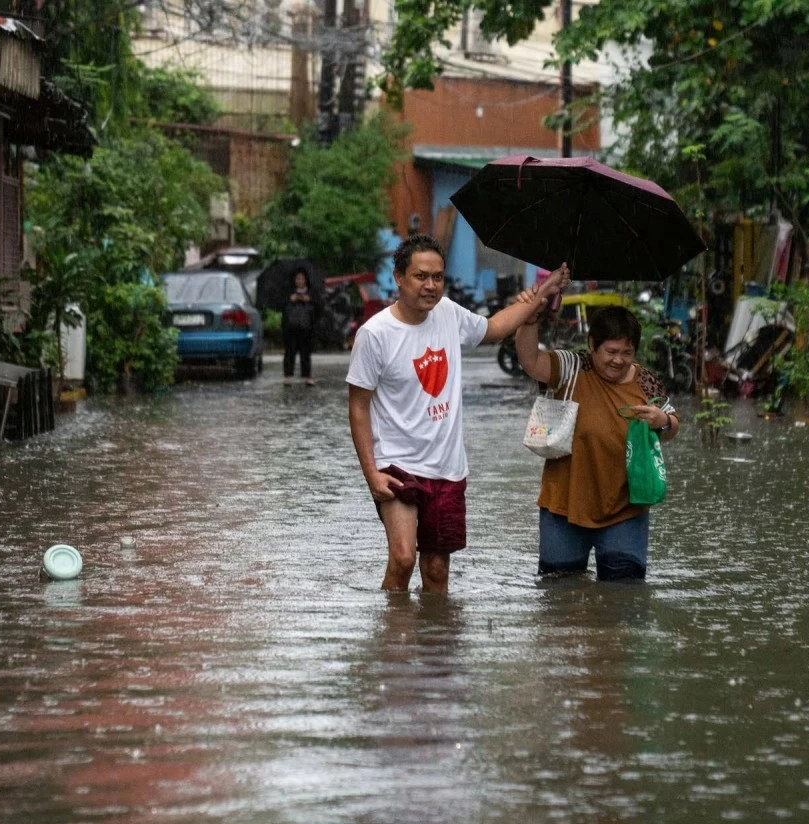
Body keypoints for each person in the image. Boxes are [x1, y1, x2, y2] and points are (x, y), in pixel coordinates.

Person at [347, 234, 569, 593]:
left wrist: (542, 293)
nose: (431, 286)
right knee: (403, 558)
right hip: (396, 463)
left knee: (436, 569)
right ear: (399, 277)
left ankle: (435, 646)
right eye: (421, 276)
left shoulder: (448, 313)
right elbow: (358, 406)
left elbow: (495, 328)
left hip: (447, 467)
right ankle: (393, 644)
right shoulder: (375, 335)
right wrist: (371, 474)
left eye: (438, 277)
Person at [512, 302, 679, 581]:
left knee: (624, 595)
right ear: (592, 344)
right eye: (611, 352)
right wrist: (530, 318)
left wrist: (662, 420)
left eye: (627, 353)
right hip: (564, 506)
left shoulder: (646, 382)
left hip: (626, 507)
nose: (618, 360)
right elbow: (530, 360)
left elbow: (672, 426)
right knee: (560, 595)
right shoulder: (571, 367)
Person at [282, 269, 318, 386]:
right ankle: (288, 376)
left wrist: (309, 300)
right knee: (289, 352)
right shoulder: (289, 292)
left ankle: (307, 376)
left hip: (306, 327)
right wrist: (290, 300)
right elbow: (282, 307)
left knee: (306, 353)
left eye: (302, 278)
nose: (300, 281)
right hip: (291, 327)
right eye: (298, 278)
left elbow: (319, 306)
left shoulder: (312, 292)